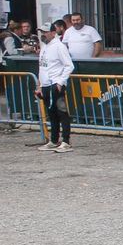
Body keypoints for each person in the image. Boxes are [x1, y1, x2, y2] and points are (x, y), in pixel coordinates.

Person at [36, 22, 74, 152]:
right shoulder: (44, 47)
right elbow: (42, 67)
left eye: (45, 32)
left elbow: (69, 65)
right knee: (51, 114)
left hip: (56, 84)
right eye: (41, 33)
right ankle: (53, 140)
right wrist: (39, 85)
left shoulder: (59, 46)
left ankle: (66, 141)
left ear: (53, 33)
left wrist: (60, 82)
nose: (42, 35)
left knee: (62, 113)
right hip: (46, 84)